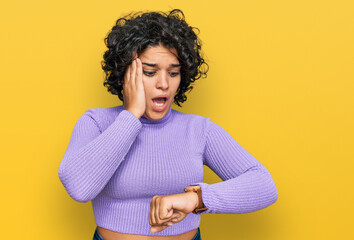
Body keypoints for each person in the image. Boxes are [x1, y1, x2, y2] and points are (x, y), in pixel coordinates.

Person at [58, 9, 278, 240]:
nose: (164, 84)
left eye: (173, 73)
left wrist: (197, 198)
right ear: (125, 74)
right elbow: (79, 187)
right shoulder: (97, 123)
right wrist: (131, 116)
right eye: (150, 72)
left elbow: (264, 185)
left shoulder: (198, 130)